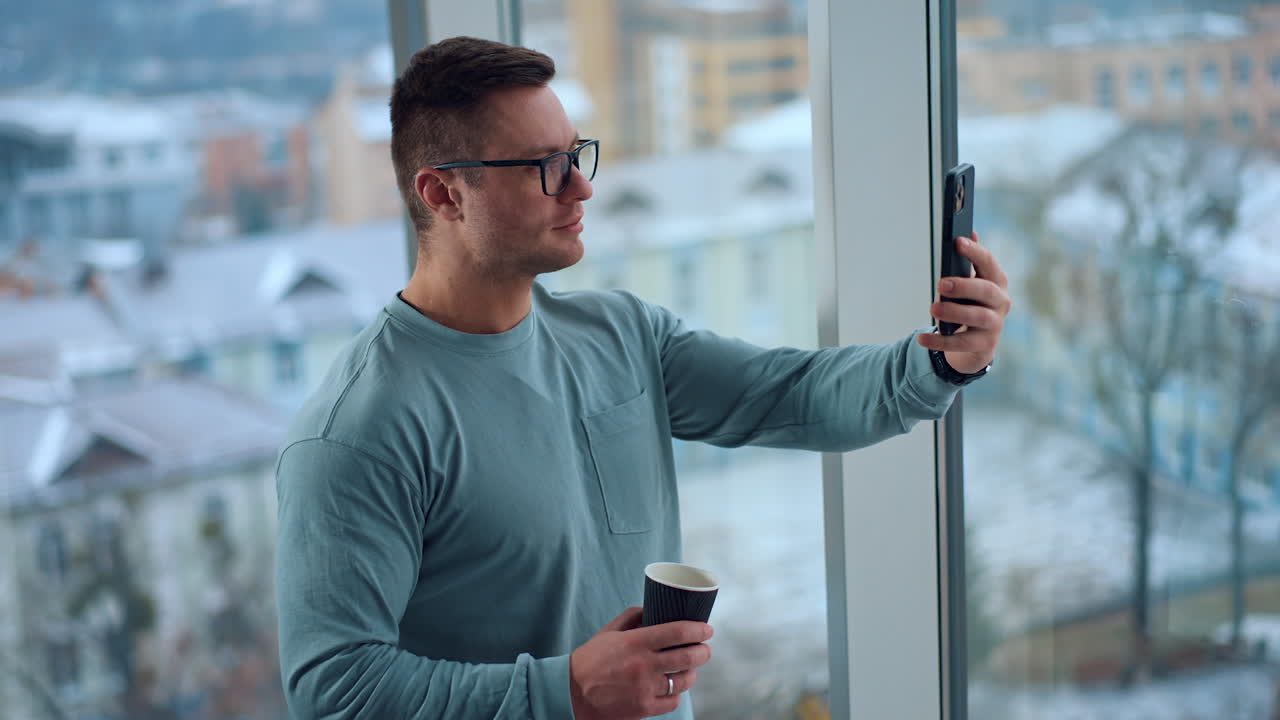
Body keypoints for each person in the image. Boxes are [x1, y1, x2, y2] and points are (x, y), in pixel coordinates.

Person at [274, 36, 1011, 720]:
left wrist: (940, 360)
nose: (581, 189)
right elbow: (335, 689)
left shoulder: (620, 334)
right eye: (544, 167)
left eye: (577, 155)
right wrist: (563, 687)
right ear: (442, 195)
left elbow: (791, 395)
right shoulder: (356, 433)